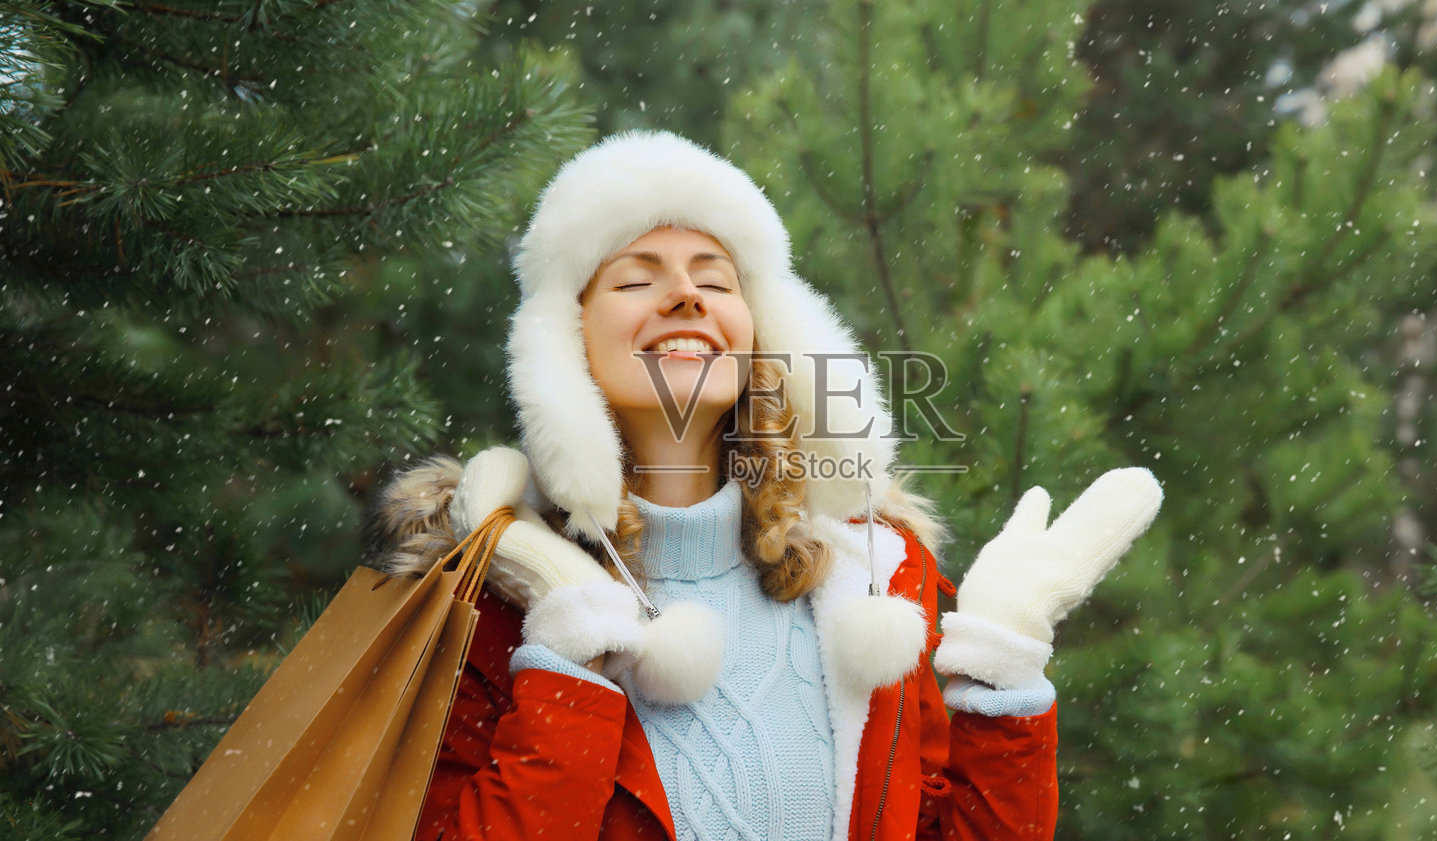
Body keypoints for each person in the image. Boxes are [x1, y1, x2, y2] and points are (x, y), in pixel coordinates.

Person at [374, 130, 1163, 841]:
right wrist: (567, 646)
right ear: (561, 345)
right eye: (634, 279)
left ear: (766, 334)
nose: (685, 297)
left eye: (714, 279)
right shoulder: (484, 613)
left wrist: (1000, 670)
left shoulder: (876, 581)